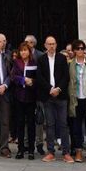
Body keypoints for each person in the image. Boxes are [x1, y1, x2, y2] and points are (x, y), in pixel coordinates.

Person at [36, 35, 73, 163]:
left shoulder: (62, 58)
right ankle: (50, 152)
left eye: (53, 44)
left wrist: (58, 89)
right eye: (49, 44)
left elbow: (66, 77)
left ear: (56, 45)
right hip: (47, 96)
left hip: (61, 96)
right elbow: (39, 77)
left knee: (63, 124)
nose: (51, 46)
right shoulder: (41, 60)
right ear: (45, 46)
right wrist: (50, 89)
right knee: (50, 125)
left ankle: (66, 152)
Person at [67, 39, 86, 163]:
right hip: (76, 100)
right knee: (77, 127)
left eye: (82, 48)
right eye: (77, 48)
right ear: (74, 50)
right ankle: (78, 151)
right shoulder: (70, 64)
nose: (80, 51)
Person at [10, 41, 38, 160]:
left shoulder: (34, 62)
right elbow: (13, 76)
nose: (23, 52)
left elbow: (39, 77)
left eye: (25, 50)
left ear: (29, 51)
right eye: (21, 50)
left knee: (31, 124)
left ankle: (31, 149)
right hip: (19, 97)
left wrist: (32, 81)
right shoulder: (16, 62)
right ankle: (20, 149)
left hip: (31, 97)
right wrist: (23, 80)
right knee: (20, 123)